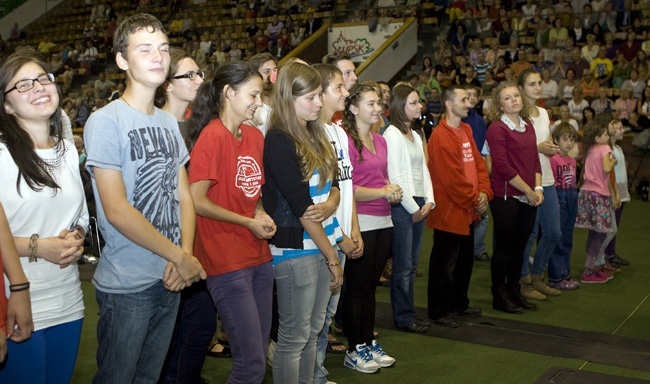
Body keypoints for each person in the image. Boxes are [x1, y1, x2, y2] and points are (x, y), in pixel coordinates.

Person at [84, 14, 206, 383]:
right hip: (128, 284)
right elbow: (117, 210)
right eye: (145, 49)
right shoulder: (106, 121)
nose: (158, 57)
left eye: (164, 49)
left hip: (170, 276)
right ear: (122, 60)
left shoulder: (169, 122)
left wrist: (182, 255)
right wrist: (181, 257)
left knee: (150, 378)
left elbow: (184, 195)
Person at [0, 48, 87, 383]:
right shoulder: (3, 154)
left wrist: (76, 237)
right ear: (7, 105)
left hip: (67, 296)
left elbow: (79, 212)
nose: (37, 87)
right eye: (22, 85)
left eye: (42, 79)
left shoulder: (66, 150)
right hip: (17, 298)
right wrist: (41, 246)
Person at [186, 61, 276, 383]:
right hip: (224, 256)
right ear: (228, 92)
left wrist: (259, 213)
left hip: (257, 254)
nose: (259, 102)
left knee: (257, 355)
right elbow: (197, 201)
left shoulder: (253, 136)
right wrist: (247, 220)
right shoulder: (212, 137)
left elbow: (252, 193)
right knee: (250, 363)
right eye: (253, 94)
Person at [262, 62, 344, 384]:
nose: (319, 103)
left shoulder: (315, 131)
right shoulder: (279, 139)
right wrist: (332, 256)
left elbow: (334, 182)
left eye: (319, 96)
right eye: (310, 97)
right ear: (288, 97)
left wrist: (333, 203)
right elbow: (301, 207)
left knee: (313, 330)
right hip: (296, 248)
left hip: (321, 242)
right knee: (295, 336)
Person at [155, 48, 216, 384]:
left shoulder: (201, 125)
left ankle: (183, 376)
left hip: (200, 238)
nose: (198, 80)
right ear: (167, 85)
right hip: (166, 241)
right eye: (188, 75)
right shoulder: (155, 124)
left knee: (200, 324)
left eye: (199, 74)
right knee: (175, 326)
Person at [340, 84, 400, 374]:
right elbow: (348, 189)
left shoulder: (380, 139)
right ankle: (355, 348)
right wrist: (382, 192)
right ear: (353, 108)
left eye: (379, 103)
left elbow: (383, 178)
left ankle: (366, 341)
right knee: (357, 289)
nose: (378, 109)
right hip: (360, 221)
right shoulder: (347, 142)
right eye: (371, 103)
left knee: (370, 288)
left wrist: (391, 191)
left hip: (384, 219)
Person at [311, 63, 363, 382]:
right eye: (337, 87)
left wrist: (354, 228)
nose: (345, 91)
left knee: (326, 315)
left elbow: (347, 186)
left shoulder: (339, 132)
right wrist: (340, 234)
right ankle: (312, 375)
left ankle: (316, 372)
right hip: (323, 238)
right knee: (314, 318)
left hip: (341, 234)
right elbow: (317, 198)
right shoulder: (313, 133)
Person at [426, 85, 492, 328]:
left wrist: (484, 191)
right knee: (444, 264)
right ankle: (439, 311)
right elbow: (452, 180)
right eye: (463, 100)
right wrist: (476, 197)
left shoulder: (465, 129)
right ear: (449, 104)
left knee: (464, 261)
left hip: (468, 209)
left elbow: (478, 165)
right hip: (450, 212)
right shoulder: (440, 137)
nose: (468, 103)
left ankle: (458, 304)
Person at [485, 81, 543, 314]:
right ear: (499, 104)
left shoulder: (528, 125)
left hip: (528, 196)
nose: (514, 100)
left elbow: (536, 161)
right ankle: (499, 293)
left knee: (520, 248)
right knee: (504, 247)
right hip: (506, 197)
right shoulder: (496, 128)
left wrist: (538, 189)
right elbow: (501, 166)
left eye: (516, 95)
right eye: (507, 98)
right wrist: (528, 191)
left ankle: (514, 289)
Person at [383, 83, 435, 333]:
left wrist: (430, 201)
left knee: (411, 265)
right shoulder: (391, 134)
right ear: (400, 106)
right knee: (403, 267)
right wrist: (414, 207)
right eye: (413, 102)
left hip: (418, 202)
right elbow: (395, 176)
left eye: (419, 102)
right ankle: (404, 317)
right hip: (404, 205)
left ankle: (409, 314)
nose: (419, 106)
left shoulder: (415, 134)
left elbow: (423, 169)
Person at [517, 69, 562, 302]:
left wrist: (551, 147)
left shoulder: (543, 113)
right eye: (532, 83)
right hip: (527, 182)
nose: (537, 87)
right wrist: (538, 149)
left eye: (539, 82)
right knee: (529, 233)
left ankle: (537, 277)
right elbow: (514, 151)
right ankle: (524, 281)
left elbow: (543, 142)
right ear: (521, 88)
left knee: (554, 232)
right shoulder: (518, 115)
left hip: (547, 179)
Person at [575, 122, 619, 283]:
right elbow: (607, 169)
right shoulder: (605, 149)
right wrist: (613, 162)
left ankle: (592, 267)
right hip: (599, 195)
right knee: (600, 233)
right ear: (597, 137)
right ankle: (589, 269)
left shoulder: (589, 150)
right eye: (605, 135)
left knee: (593, 232)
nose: (608, 137)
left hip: (586, 193)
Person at [547, 123, 581, 290]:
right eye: (565, 139)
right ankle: (556, 277)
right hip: (558, 196)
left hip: (571, 196)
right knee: (558, 238)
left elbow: (573, 182)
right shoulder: (553, 159)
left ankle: (565, 274)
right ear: (556, 140)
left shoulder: (572, 161)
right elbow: (551, 184)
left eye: (572, 140)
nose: (568, 143)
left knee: (567, 237)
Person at [461, 84, 490, 262]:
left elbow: (484, 147)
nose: (471, 98)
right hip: (465, 169)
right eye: (467, 95)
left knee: (482, 212)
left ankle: (477, 248)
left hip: (479, 169)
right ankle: (466, 248)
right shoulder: (460, 120)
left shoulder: (479, 120)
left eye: (474, 95)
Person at [604, 119, 631, 268]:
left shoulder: (618, 149)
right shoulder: (609, 150)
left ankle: (610, 253)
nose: (622, 131)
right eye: (619, 128)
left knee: (616, 225)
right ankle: (606, 255)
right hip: (614, 192)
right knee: (610, 225)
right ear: (612, 131)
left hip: (621, 191)